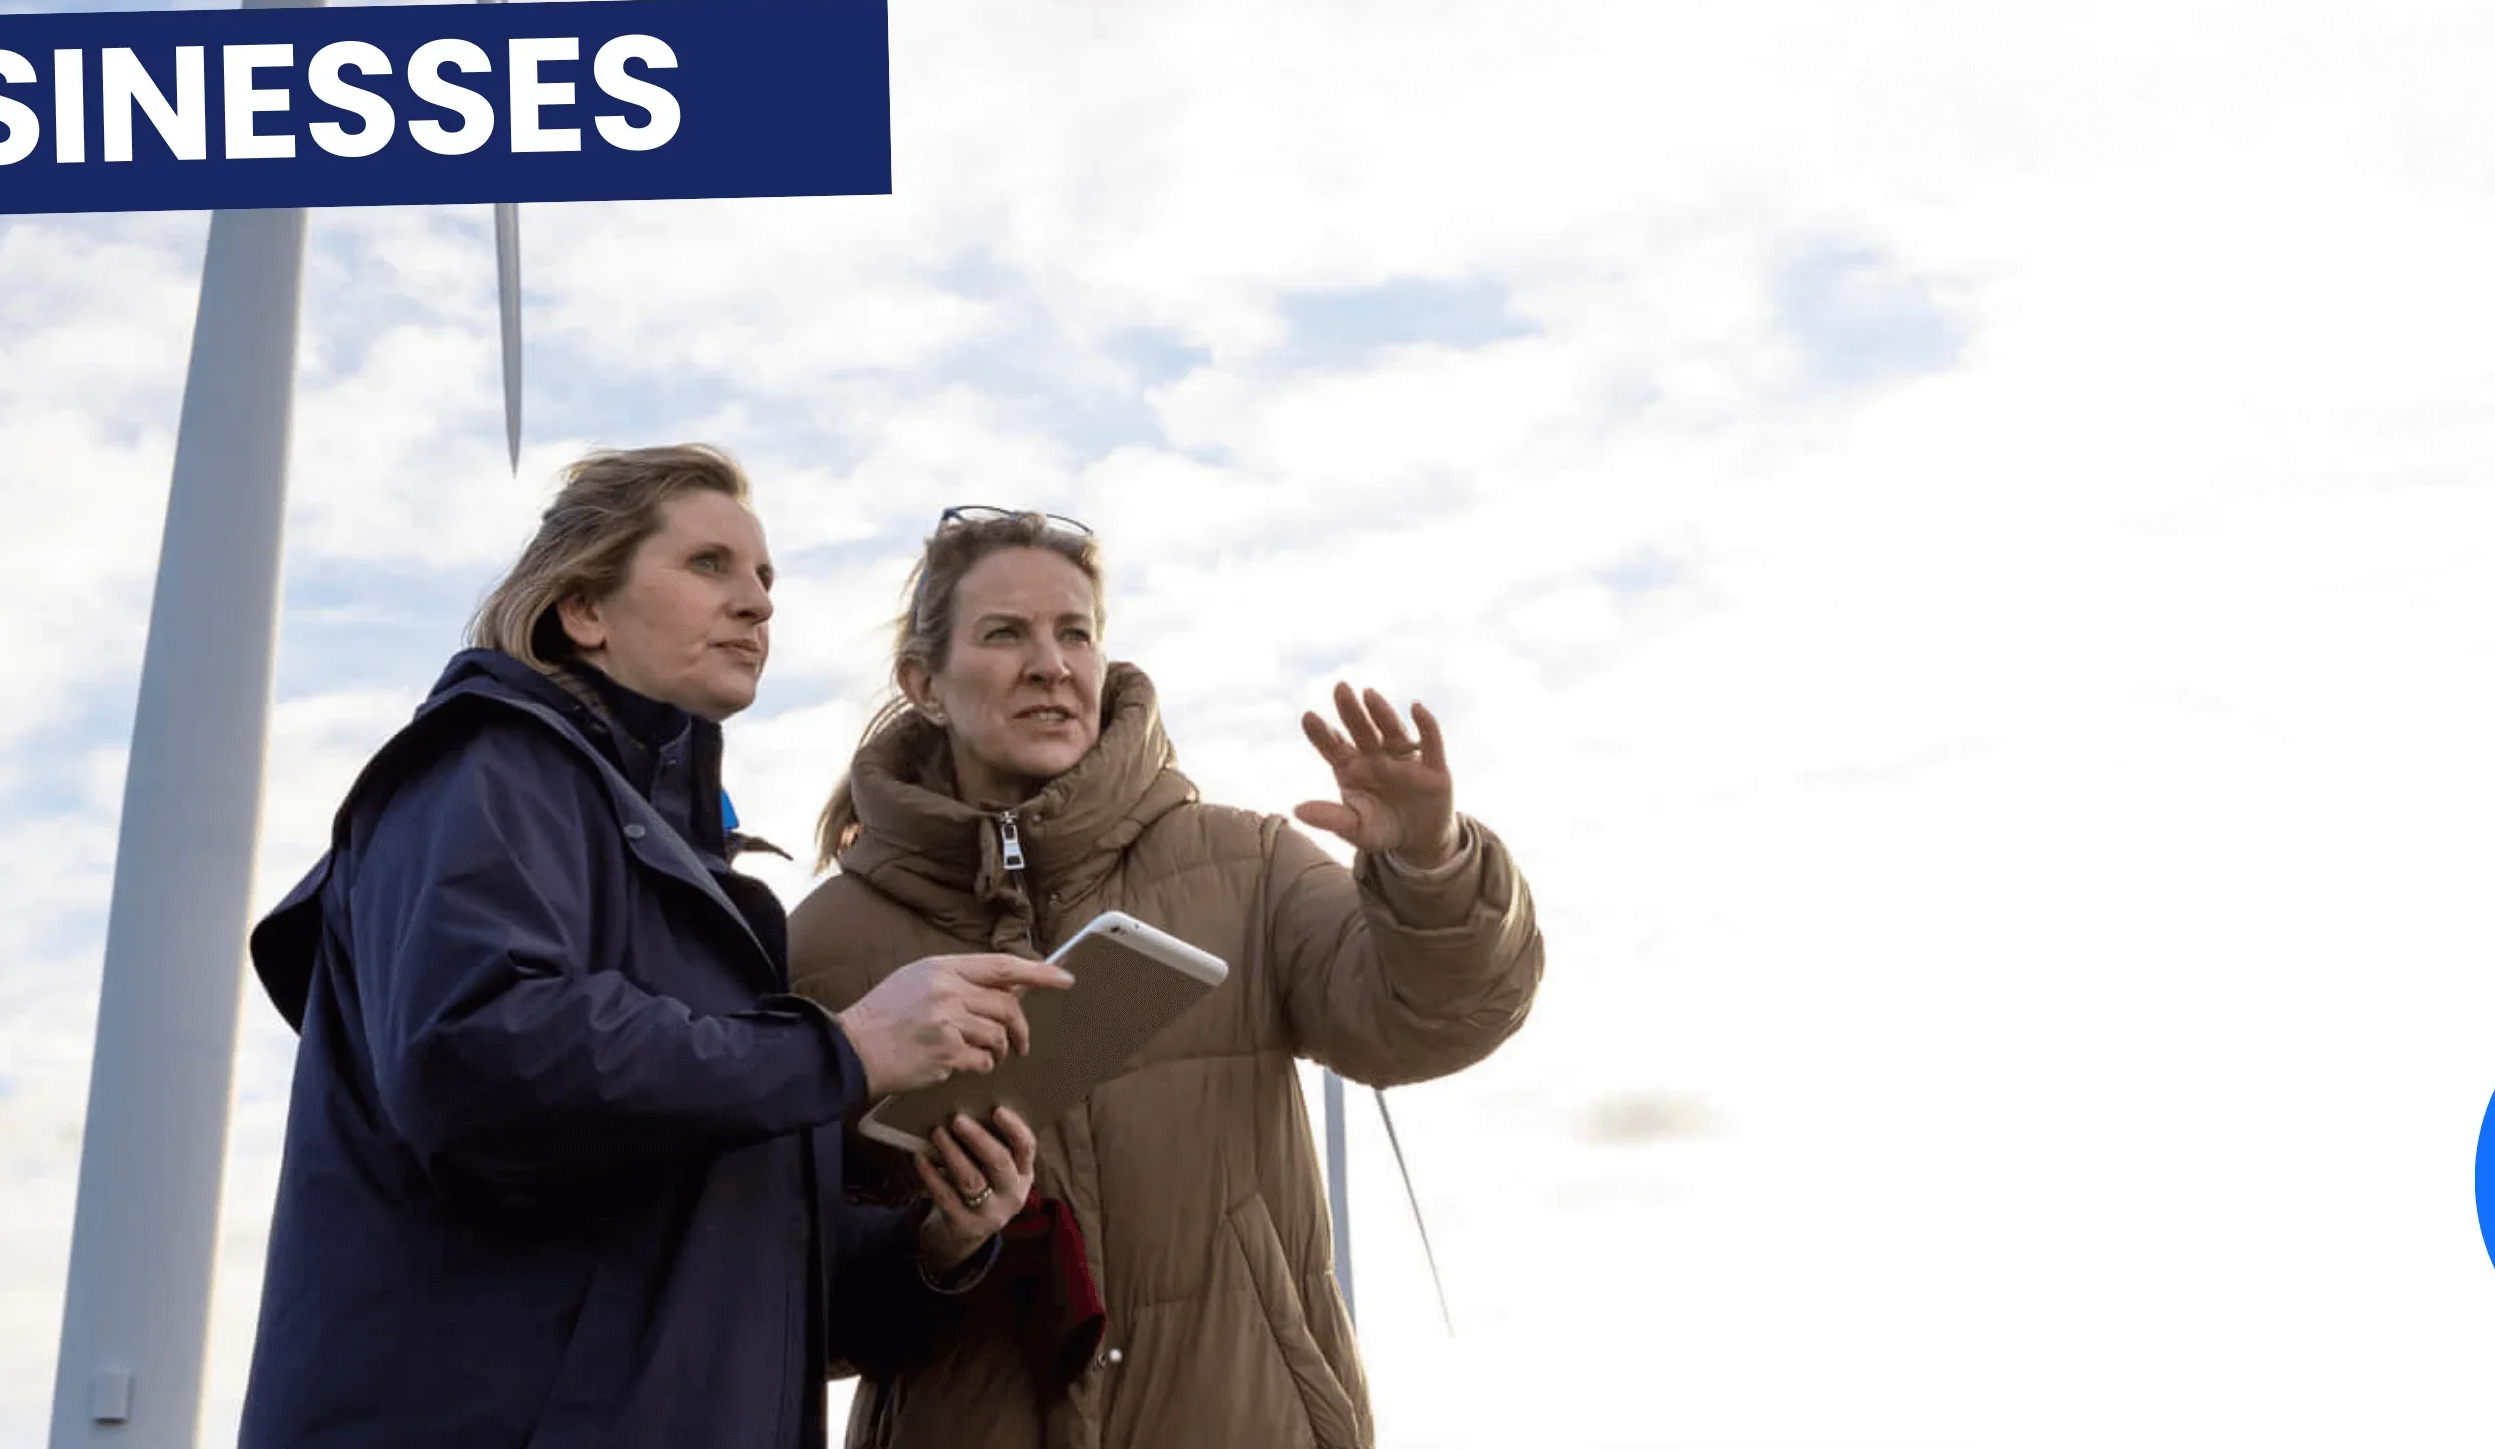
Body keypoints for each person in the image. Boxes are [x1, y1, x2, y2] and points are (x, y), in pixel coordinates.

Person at [239, 446, 1071, 1449]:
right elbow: (479, 1058)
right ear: (584, 609)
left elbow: (751, 1285)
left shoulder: (693, 887)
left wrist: (943, 1235)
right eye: (709, 565)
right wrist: (842, 1051)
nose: (758, 604)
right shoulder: (485, 770)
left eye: (766, 579)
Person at [789, 508, 1544, 1449]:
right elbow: (788, 1297)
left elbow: (1428, 1020)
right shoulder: (823, 942)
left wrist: (1431, 867)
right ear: (923, 684)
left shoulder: (1248, 863)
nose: (1051, 665)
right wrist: (941, 1243)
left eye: (1075, 634)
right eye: (1004, 634)